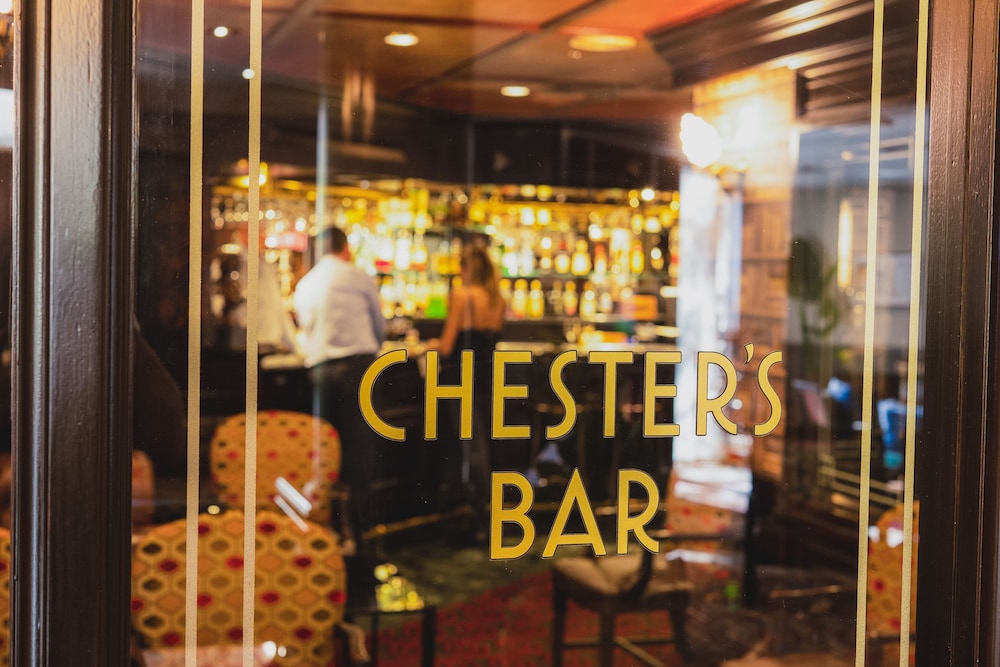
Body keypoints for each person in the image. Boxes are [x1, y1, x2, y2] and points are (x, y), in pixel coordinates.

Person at [293, 226, 386, 549]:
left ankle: (327, 527)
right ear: (346, 248)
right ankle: (358, 533)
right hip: (358, 369)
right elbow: (379, 327)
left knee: (323, 450)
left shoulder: (305, 284)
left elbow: (304, 329)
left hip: (320, 371)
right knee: (358, 450)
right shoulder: (359, 276)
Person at [427, 242, 506, 543]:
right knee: (479, 444)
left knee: (470, 448)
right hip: (488, 377)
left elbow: (447, 345)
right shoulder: (498, 299)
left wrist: (430, 345)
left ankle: (479, 520)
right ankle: (478, 515)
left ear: (467, 268)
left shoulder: (462, 295)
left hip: (461, 377)